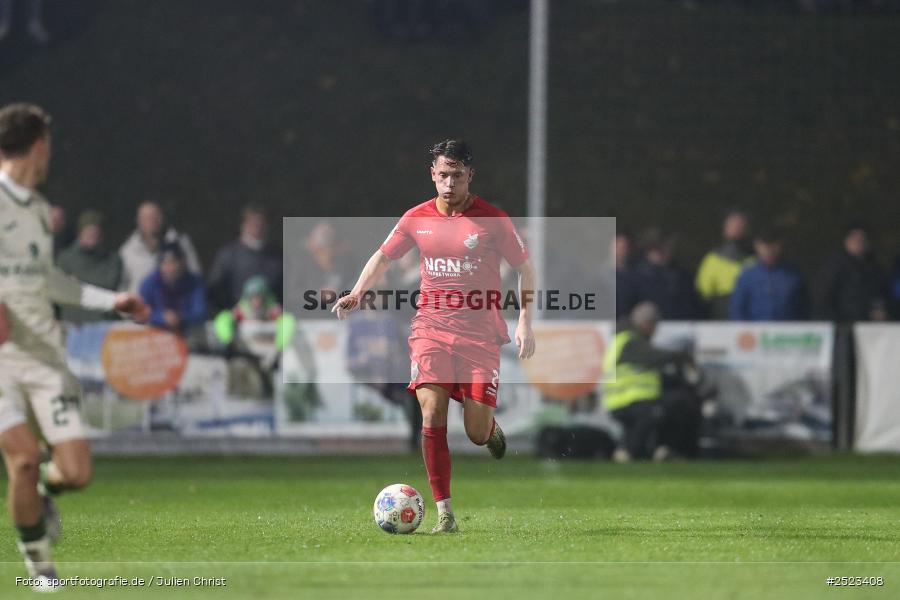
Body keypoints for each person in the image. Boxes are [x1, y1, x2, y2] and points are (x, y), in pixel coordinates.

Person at [332, 140, 535, 533]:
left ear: (470, 176)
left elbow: (526, 270)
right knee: (431, 412)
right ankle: (445, 513)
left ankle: (487, 426)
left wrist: (525, 320)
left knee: (475, 434)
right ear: (432, 175)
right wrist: (358, 292)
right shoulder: (416, 218)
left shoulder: (493, 220)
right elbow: (383, 257)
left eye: (456, 175)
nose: (448, 183)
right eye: (442, 174)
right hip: (431, 331)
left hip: (480, 335)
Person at [0, 104, 149, 590]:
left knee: (76, 471)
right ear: (40, 145)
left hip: (44, 356)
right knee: (21, 457)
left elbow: (50, 281)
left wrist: (113, 301)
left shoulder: (39, 211)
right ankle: (40, 568)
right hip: (1, 359)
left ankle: (44, 490)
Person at [602, 302, 700, 461]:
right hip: (628, 398)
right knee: (657, 411)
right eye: (654, 325)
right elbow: (653, 357)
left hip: (624, 398)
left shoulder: (624, 339)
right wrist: (681, 357)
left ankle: (650, 450)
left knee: (670, 404)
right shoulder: (631, 341)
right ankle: (630, 452)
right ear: (647, 324)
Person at [207, 203, 283, 313]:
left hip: (274, 320)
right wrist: (232, 312)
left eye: (261, 223)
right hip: (236, 322)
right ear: (243, 225)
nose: (258, 227)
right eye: (253, 223)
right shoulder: (227, 256)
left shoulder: (278, 256)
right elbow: (215, 292)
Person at [119, 200, 201, 294]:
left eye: (155, 216)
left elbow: (196, 277)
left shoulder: (182, 243)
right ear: (138, 221)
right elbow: (121, 288)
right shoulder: (126, 251)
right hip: (139, 306)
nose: (151, 221)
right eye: (146, 217)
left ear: (162, 218)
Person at [56, 210, 123, 323]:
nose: (92, 236)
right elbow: (61, 291)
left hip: (102, 324)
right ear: (80, 233)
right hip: (73, 325)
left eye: (95, 232)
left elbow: (109, 287)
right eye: (88, 232)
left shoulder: (112, 260)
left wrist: (78, 283)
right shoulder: (65, 258)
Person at [813, 223, 888, 322]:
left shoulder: (875, 268)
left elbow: (881, 295)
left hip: (868, 327)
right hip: (841, 326)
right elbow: (822, 298)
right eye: (855, 239)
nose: (859, 242)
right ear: (846, 241)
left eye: (863, 239)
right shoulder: (834, 266)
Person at [730, 229, 807, 321]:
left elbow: (804, 310)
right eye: (764, 246)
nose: (769, 250)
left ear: (780, 246)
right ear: (757, 246)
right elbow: (737, 311)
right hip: (754, 333)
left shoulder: (793, 276)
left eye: (773, 245)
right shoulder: (747, 277)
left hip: (786, 334)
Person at [632, 227, 703, 320]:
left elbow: (695, 306)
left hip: (679, 327)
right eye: (654, 248)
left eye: (663, 246)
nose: (659, 252)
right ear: (647, 250)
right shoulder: (634, 276)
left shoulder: (683, 276)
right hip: (645, 328)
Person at [695, 209, 753, 319]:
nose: (737, 229)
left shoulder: (755, 260)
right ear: (724, 229)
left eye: (740, 225)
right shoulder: (713, 259)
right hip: (720, 316)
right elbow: (702, 294)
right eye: (733, 225)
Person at [138, 243, 207, 335]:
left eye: (174, 262)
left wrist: (180, 317)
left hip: (187, 332)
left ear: (183, 263)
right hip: (154, 333)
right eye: (165, 263)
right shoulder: (150, 283)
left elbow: (201, 312)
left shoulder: (194, 282)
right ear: (160, 265)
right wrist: (161, 317)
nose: (170, 268)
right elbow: (139, 313)